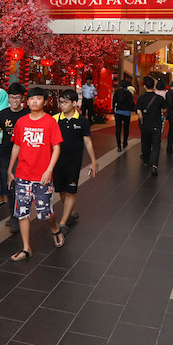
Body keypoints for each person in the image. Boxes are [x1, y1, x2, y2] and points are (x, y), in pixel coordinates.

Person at [7, 87, 62, 261]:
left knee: (45, 213)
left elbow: (56, 148)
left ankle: (54, 228)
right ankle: (26, 248)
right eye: (31, 98)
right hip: (23, 174)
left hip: (42, 177)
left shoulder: (50, 122)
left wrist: (49, 170)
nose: (34, 101)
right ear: (27, 101)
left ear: (45, 102)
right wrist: (10, 169)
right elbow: (16, 146)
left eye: (38, 98)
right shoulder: (21, 122)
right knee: (22, 212)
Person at [54, 89, 97, 235]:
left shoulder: (82, 121)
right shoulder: (54, 119)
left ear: (74, 103)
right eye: (60, 102)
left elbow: (88, 142)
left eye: (65, 102)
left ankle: (63, 223)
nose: (62, 105)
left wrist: (93, 162)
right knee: (61, 191)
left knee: (71, 192)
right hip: (57, 161)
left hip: (74, 162)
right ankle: (71, 210)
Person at [0, 82, 28, 217]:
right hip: (6, 156)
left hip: (24, 156)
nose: (14, 100)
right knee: (9, 187)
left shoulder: (27, 114)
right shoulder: (2, 114)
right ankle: (14, 215)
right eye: (12, 97)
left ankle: (21, 214)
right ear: (8, 98)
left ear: (22, 99)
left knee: (21, 187)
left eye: (17, 97)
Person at [135, 75, 166, 176]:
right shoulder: (159, 98)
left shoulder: (140, 98)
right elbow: (165, 109)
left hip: (145, 125)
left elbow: (139, 112)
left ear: (144, 87)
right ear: (154, 86)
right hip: (156, 125)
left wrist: (142, 121)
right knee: (156, 145)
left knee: (145, 143)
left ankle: (146, 160)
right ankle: (154, 165)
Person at [111, 79, 135, 152]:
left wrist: (114, 111)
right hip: (127, 113)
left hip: (118, 112)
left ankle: (118, 146)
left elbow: (113, 102)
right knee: (126, 128)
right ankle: (125, 142)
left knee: (118, 129)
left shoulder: (117, 92)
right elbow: (131, 104)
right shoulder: (129, 94)